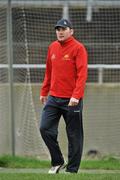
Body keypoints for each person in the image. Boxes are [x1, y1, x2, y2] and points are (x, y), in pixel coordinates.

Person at [39, 18, 88, 174]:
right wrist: (43, 91)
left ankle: (72, 170)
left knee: (74, 135)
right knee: (45, 128)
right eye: (58, 29)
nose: (60, 32)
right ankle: (58, 161)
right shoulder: (52, 47)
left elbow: (82, 74)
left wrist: (76, 96)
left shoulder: (78, 48)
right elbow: (49, 71)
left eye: (63, 29)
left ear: (71, 31)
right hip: (53, 98)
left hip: (72, 100)